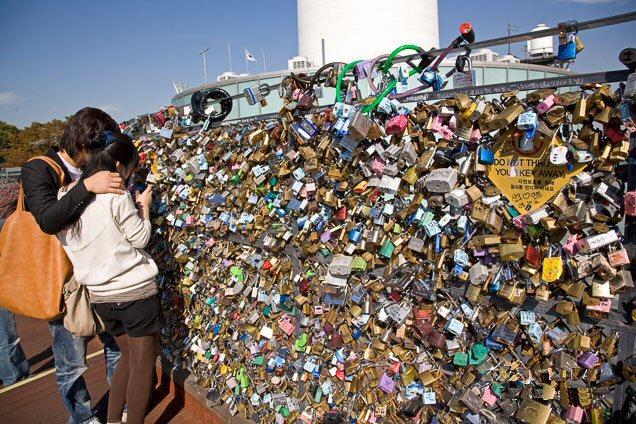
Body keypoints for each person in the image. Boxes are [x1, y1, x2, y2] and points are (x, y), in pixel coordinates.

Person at [20, 107, 126, 424]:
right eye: (96, 150)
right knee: (71, 358)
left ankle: (118, 404)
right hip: (64, 283)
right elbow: (48, 220)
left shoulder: (95, 165)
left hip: (103, 275)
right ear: (82, 143)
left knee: (116, 343)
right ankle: (82, 417)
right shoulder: (38, 169)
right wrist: (87, 186)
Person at [57, 131, 162, 424]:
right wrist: (144, 206)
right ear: (118, 166)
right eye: (130, 168)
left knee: (128, 359)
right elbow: (140, 237)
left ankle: (113, 420)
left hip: (101, 297)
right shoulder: (115, 196)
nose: (129, 175)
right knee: (142, 368)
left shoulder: (66, 196)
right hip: (135, 294)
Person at [0, 181, 30, 387]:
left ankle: (10, 370)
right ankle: (14, 373)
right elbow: (19, 189)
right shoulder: (6, 192)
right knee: (4, 328)